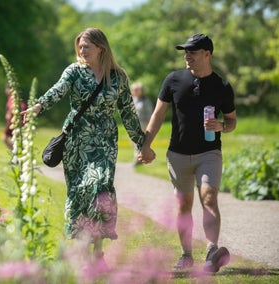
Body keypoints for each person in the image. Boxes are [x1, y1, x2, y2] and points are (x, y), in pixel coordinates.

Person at [23, 28, 149, 262]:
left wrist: (141, 144)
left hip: (105, 139)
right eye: (80, 47)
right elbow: (57, 91)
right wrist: (38, 107)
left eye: (87, 46)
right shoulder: (74, 71)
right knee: (80, 190)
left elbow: (128, 113)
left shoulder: (118, 77)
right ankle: (84, 246)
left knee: (100, 186)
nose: (82, 51)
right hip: (76, 138)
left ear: (101, 47)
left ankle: (97, 247)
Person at [139, 33, 237, 273]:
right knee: (184, 205)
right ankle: (186, 255)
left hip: (209, 152)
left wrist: (222, 127)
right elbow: (158, 115)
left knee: (209, 197)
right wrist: (145, 144)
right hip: (178, 154)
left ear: (207, 54)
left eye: (192, 52)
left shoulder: (222, 86)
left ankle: (212, 250)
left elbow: (232, 121)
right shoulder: (173, 80)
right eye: (186, 52)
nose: (187, 56)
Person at [130, 82, 153, 165]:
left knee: (140, 142)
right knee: (133, 142)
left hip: (143, 123)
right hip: (132, 124)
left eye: (136, 90)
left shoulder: (145, 100)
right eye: (133, 90)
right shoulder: (131, 99)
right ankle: (139, 157)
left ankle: (138, 158)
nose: (134, 91)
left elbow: (150, 113)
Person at [2, 84, 26, 149]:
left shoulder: (12, 98)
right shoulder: (13, 97)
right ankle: (17, 153)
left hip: (13, 121)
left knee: (5, 138)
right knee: (16, 139)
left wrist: (9, 114)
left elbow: (14, 107)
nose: (6, 91)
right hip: (16, 121)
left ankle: (16, 152)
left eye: (7, 89)